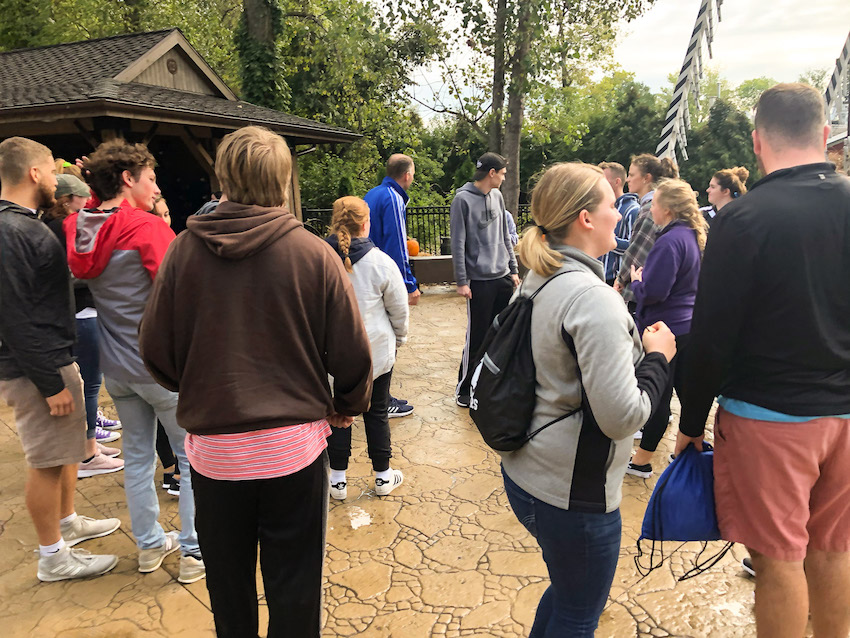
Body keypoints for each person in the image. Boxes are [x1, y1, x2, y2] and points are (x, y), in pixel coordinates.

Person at [140, 126, 373, 638]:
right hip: (293, 449)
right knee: (295, 583)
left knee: (228, 585)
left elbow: (155, 349)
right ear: (284, 180)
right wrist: (346, 403)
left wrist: (201, 385)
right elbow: (354, 352)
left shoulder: (182, 252)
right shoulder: (315, 255)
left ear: (223, 176)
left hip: (216, 453)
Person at [676, 83, 850, 638]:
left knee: (778, 560)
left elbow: (710, 336)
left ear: (757, 141)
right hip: (847, 415)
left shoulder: (743, 218)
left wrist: (688, 422)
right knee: (834, 548)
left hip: (768, 417)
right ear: (825, 135)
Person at [500, 162, 674, 637]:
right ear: (585, 219)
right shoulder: (592, 298)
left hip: (528, 472)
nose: (621, 215)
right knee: (579, 612)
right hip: (573, 494)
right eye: (612, 206)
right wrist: (658, 359)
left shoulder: (541, 275)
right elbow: (621, 418)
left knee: (566, 592)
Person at [64, 139, 203, 584]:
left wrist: (92, 190)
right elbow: (180, 299)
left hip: (117, 368)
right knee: (190, 459)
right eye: (150, 178)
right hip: (161, 368)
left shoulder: (79, 226)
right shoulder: (146, 228)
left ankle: (147, 547)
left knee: (139, 458)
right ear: (128, 179)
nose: (156, 185)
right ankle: (194, 552)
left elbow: (93, 217)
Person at [0, 137, 120, 581]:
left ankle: (67, 521)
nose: (56, 178)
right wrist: (50, 383)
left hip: (53, 358)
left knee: (66, 450)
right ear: (33, 173)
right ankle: (52, 555)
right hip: (37, 368)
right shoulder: (10, 231)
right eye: (51, 170)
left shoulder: (26, 222)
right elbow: (13, 315)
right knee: (46, 461)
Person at [325, 196, 409, 500]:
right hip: (375, 355)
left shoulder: (319, 259)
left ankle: (337, 481)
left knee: (337, 412)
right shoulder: (382, 263)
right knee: (377, 413)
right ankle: (383, 476)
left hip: (330, 356)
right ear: (365, 223)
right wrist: (398, 339)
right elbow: (398, 311)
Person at [42, 174, 125, 478]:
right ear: (67, 200)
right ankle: (88, 455)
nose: (87, 201)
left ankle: (87, 445)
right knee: (89, 385)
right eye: (82, 196)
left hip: (76, 313)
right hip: (81, 313)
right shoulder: (62, 229)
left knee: (88, 385)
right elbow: (72, 271)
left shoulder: (49, 226)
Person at [625, 179, 706, 478]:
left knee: (657, 393)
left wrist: (636, 281)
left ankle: (642, 460)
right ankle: (684, 453)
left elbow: (655, 291)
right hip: (686, 326)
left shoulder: (669, 241)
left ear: (668, 209)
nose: (651, 210)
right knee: (685, 394)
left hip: (663, 329)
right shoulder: (690, 235)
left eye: (655, 204)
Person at [451, 152, 520, 408]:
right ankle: (464, 389)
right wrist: (462, 280)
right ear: (491, 173)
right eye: (502, 173)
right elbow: (458, 243)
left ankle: (489, 387)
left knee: (500, 334)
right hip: (478, 282)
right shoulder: (462, 200)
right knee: (478, 336)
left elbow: (505, 234)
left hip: (502, 276)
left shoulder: (498, 196)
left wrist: (513, 269)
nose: (504, 177)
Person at [364, 154, 418, 418]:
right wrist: (409, 284)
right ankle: (382, 400)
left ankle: (370, 395)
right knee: (389, 336)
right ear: (406, 175)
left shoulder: (372, 194)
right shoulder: (393, 198)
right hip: (384, 277)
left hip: (364, 272)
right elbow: (398, 246)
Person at [613, 154, 678, 307]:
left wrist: (621, 278)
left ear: (646, 178)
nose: (627, 179)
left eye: (631, 175)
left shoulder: (651, 209)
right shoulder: (653, 206)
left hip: (639, 291)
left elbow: (638, 250)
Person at [598, 161, 640, 286]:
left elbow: (633, 247)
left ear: (617, 182)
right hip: (596, 275)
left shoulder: (633, 210)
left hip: (615, 280)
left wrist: (608, 239)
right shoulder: (600, 208)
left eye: (604, 180)